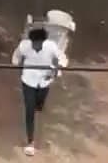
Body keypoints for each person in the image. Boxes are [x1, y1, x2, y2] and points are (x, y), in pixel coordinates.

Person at [12, 25, 68, 155]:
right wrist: (19, 66)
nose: (36, 46)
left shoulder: (51, 46)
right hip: (28, 80)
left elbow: (63, 58)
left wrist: (57, 68)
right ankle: (30, 141)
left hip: (44, 81)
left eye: (39, 43)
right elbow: (15, 58)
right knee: (29, 109)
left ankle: (38, 107)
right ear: (31, 41)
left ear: (44, 41)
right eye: (34, 43)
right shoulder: (24, 46)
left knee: (39, 105)